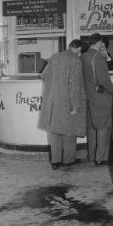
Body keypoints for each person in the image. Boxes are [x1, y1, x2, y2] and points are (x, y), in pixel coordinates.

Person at [38, 40, 86, 170]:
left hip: (53, 101)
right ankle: (69, 160)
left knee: (54, 132)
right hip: (67, 101)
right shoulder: (75, 61)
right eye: (80, 51)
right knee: (69, 132)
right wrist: (75, 105)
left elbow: (43, 76)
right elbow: (74, 85)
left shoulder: (55, 57)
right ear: (78, 49)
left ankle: (55, 161)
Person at [81, 33, 113, 166]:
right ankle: (101, 158)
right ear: (99, 43)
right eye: (102, 43)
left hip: (88, 96)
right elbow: (104, 80)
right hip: (101, 97)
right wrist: (112, 90)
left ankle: (91, 155)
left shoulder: (83, 56)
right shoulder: (98, 57)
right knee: (103, 127)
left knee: (92, 128)